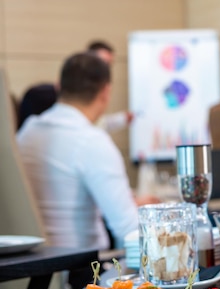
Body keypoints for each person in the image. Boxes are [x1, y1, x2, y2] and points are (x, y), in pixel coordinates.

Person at [17, 53, 158, 254]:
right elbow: (129, 229)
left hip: (34, 265)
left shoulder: (28, 131)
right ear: (105, 91)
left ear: (59, 87)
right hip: (83, 271)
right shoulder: (92, 141)